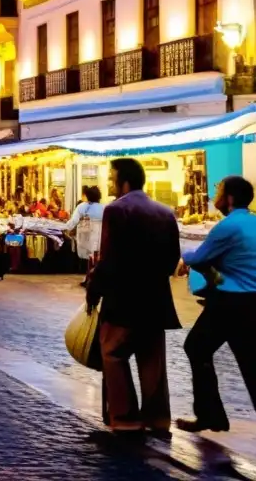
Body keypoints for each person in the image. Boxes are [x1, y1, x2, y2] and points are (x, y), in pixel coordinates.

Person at [87, 158, 180, 434]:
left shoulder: (116, 210)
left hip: (124, 296)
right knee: (152, 357)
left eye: (111, 177)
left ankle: (126, 417)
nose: (108, 183)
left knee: (113, 353)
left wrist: (95, 288)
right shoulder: (165, 212)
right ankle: (158, 417)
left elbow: (109, 256)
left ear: (123, 181)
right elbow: (172, 258)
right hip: (156, 297)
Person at [175, 175, 256, 433]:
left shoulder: (228, 226)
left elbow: (199, 257)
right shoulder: (254, 222)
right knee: (250, 361)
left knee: (197, 347)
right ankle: (211, 414)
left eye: (219, 191)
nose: (215, 196)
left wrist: (184, 256)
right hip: (251, 302)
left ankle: (210, 414)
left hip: (230, 303)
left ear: (230, 198)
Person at [67, 185, 105, 284]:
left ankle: (89, 278)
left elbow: (73, 221)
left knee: (89, 258)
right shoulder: (103, 208)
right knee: (95, 258)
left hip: (85, 235)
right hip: (99, 236)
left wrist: (65, 227)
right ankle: (93, 278)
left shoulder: (82, 206)